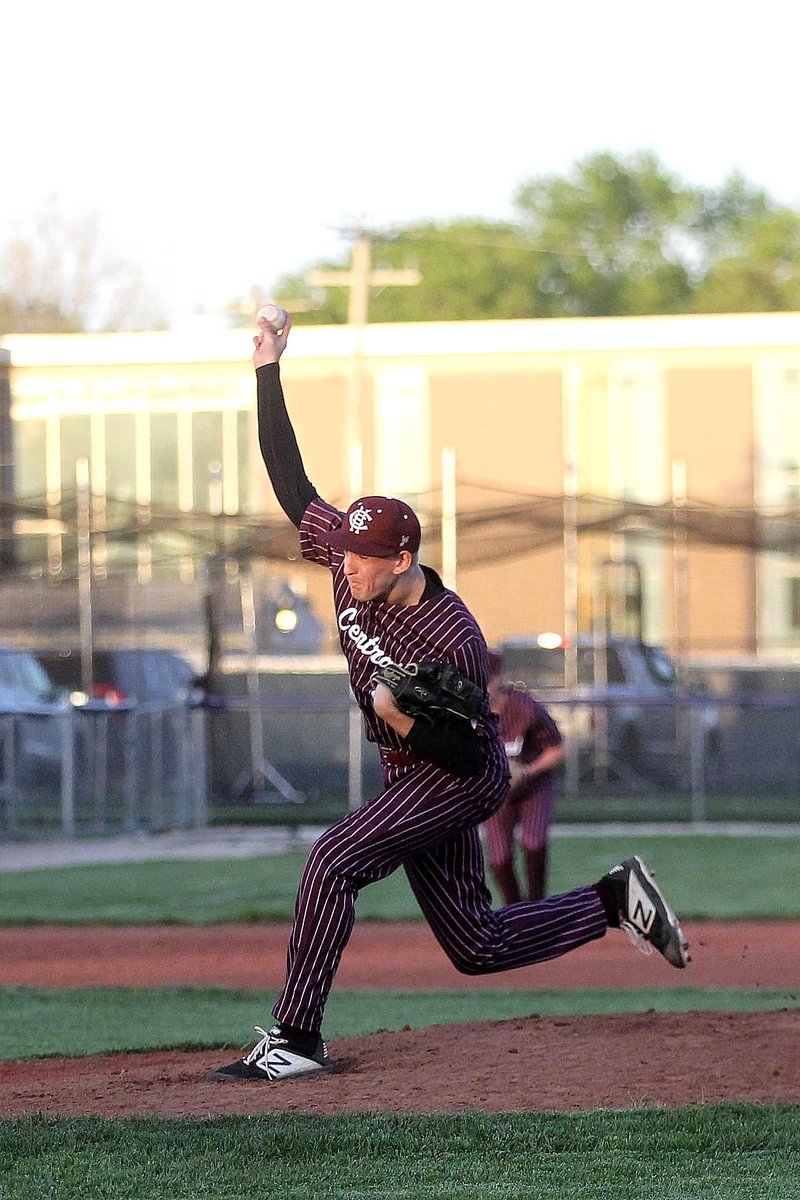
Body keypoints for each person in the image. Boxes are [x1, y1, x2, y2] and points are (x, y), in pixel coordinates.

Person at [209, 312, 690, 1084]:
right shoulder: (348, 559)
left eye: (365, 558)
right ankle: (612, 898)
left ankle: (297, 1036)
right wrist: (268, 369)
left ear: (404, 557)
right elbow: (292, 483)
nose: (348, 566)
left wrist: (403, 718)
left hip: (458, 776)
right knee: (477, 945)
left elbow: (471, 752)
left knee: (332, 859)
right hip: (409, 775)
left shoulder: (452, 637)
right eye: (348, 552)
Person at [482, 651, 564, 904]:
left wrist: (526, 771)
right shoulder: (472, 714)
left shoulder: (524, 708)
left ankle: (537, 907)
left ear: (500, 679)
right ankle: (515, 911)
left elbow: (557, 749)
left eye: (488, 680)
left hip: (533, 787)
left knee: (533, 842)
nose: (484, 687)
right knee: (499, 859)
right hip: (497, 794)